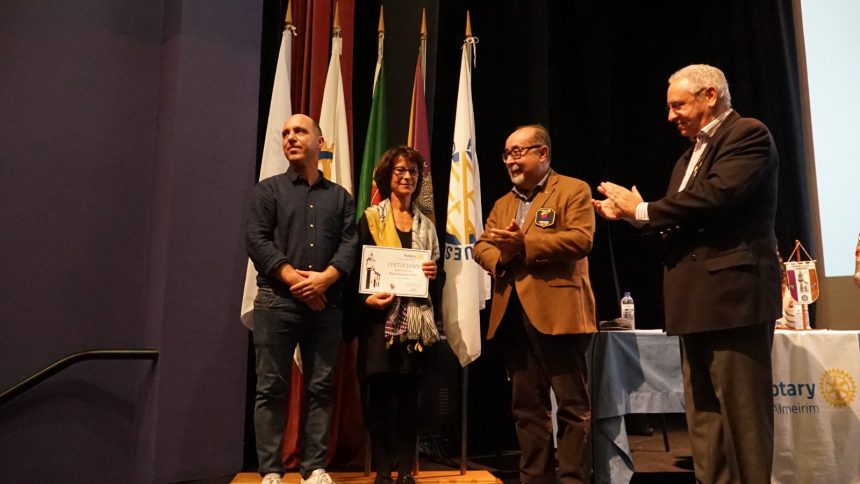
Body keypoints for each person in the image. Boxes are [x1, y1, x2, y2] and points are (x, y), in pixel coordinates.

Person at [593, 64, 780, 483]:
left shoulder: (747, 134)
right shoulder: (685, 158)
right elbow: (678, 227)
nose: (670, 116)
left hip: (734, 300)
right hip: (693, 300)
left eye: (677, 105)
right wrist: (634, 218)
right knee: (704, 421)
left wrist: (643, 209)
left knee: (744, 422)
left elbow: (716, 196)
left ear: (710, 95)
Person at [474, 125, 597, 484]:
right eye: (507, 154)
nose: (510, 160)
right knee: (527, 410)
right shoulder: (503, 203)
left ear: (542, 153)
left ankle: (573, 479)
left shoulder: (572, 190)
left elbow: (581, 239)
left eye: (518, 152)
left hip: (560, 315)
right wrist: (502, 256)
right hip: (513, 317)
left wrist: (524, 245)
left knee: (572, 408)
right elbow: (481, 246)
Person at [246, 114, 357, 484]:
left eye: (299, 131)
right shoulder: (268, 191)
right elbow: (257, 240)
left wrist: (325, 280)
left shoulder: (340, 197)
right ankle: (271, 472)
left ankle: (314, 468)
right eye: (285, 133)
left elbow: (349, 244)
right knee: (270, 388)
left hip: (326, 306)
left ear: (320, 142)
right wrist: (298, 282)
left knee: (320, 388)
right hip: (275, 303)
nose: (290, 138)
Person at [350, 146, 443, 484]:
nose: (407, 176)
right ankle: (382, 471)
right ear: (387, 176)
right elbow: (356, 271)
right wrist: (366, 301)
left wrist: (434, 273)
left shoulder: (427, 226)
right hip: (379, 322)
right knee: (379, 399)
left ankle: (405, 472)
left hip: (415, 325)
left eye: (413, 172)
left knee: (409, 400)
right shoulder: (371, 220)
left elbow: (437, 279)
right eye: (400, 170)